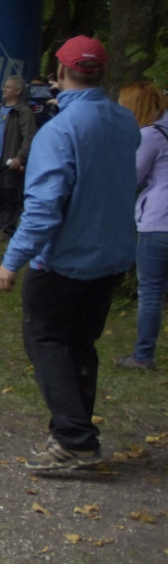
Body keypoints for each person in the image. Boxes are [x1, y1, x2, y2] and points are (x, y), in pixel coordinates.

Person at [0, 36, 138, 473]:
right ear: (102, 72)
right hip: (110, 256)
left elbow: (43, 208)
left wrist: (11, 260)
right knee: (80, 345)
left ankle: (75, 439)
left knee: (47, 342)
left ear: (59, 73)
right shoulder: (124, 120)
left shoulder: (60, 130)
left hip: (64, 261)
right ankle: (70, 434)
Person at [117, 80, 168, 370]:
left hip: (159, 222)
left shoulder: (150, 136)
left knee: (150, 291)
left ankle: (143, 355)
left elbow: (132, 176)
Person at [0, 76, 36, 240]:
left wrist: (20, 157)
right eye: (4, 86)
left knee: (10, 194)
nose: (3, 89)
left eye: (7, 87)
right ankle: (0, 225)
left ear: (18, 91)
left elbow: (29, 137)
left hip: (10, 160)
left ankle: (7, 229)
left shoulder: (23, 111)